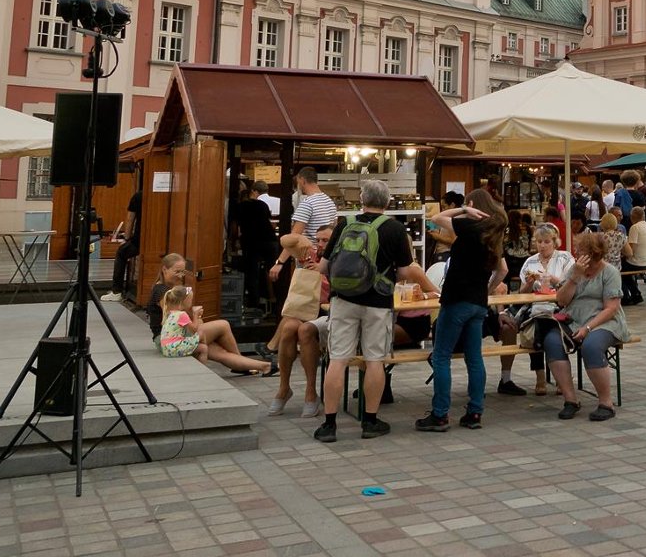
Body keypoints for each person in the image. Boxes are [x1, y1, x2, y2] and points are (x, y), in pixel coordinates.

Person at [315, 179, 439, 444]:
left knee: (338, 360)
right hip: (378, 303)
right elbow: (406, 271)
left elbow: (324, 267)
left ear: (362, 199)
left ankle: (329, 424)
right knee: (374, 360)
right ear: (387, 201)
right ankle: (370, 420)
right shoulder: (394, 228)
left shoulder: (344, 224)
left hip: (343, 300)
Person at [418, 189, 508, 432]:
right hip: (478, 303)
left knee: (441, 356)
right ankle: (475, 412)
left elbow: (436, 218)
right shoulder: (492, 234)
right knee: (474, 358)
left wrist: (463, 210)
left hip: (457, 299)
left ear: (472, 204)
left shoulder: (469, 226)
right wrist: (488, 289)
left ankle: (440, 414)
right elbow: (503, 271)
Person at [546, 231, 626, 421]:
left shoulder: (609, 272)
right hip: (574, 319)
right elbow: (561, 300)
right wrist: (574, 278)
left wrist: (588, 328)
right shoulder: (575, 270)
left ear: (593, 253)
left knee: (591, 346)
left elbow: (611, 308)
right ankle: (570, 400)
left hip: (604, 321)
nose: (576, 253)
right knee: (552, 341)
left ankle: (606, 402)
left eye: (580, 250)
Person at [266, 227, 332, 418]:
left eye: (326, 240)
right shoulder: (308, 253)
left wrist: (322, 272)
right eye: (318, 240)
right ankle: (284, 387)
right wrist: (301, 238)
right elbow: (286, 240)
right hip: (305, 308)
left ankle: (311, 392)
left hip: (327, 309)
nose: (320, 244)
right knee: (288, 328)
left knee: (303, 330)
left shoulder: (338, 258)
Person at [156, 285, 274, 375]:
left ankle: (263, 366)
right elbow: (194, 329)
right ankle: (241, 364)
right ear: (182, 301)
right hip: (177, 344)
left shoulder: (170, 309)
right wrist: (196, 315)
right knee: (219, 329)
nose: (181, 274)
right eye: (190, 301)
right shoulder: (179, 311)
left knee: (219, 351)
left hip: (170, 344)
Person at [515, 223, 573, 396]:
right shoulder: (530, 262)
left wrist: (551, 278)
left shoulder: (565, 258)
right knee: (537, 321)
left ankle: (559, 378)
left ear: (555, 242)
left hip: (559, 306)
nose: (542, 245)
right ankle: (540, 376)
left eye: (546, 241)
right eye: (539, 241)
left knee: (551, 326)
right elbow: (521, 292)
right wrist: (530, 282)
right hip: (536, 307)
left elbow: (568, 285)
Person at [232, 181, 278, 312]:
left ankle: (254, 303)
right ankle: (277, 300)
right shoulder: (262, 204)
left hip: (251, 242)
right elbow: (269, 222)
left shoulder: (239, 207)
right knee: (273, 271)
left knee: (252, 272)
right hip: (269, 240)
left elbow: (235, 228)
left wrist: (234, 242)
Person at [101, 191, 141, 303]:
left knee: (121, 252)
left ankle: (116, 291)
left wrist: (126, 238)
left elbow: (130, 219)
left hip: (140, 239)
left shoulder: (138, 196)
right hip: (159, 240)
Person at [623, 206, 646, 305]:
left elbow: (630, 250)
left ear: (632, 217)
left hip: (638, 262)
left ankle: (632, 295)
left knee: (620, 269)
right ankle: (635, 293)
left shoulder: (635, 227)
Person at [290, 167, 338, 238]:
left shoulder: (307, 204)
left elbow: (294, 236)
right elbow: (334, 228)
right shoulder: (330, 202)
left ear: (303, 181)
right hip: (325, 248)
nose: (298, 186)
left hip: (310, 248)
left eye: (298, 182)